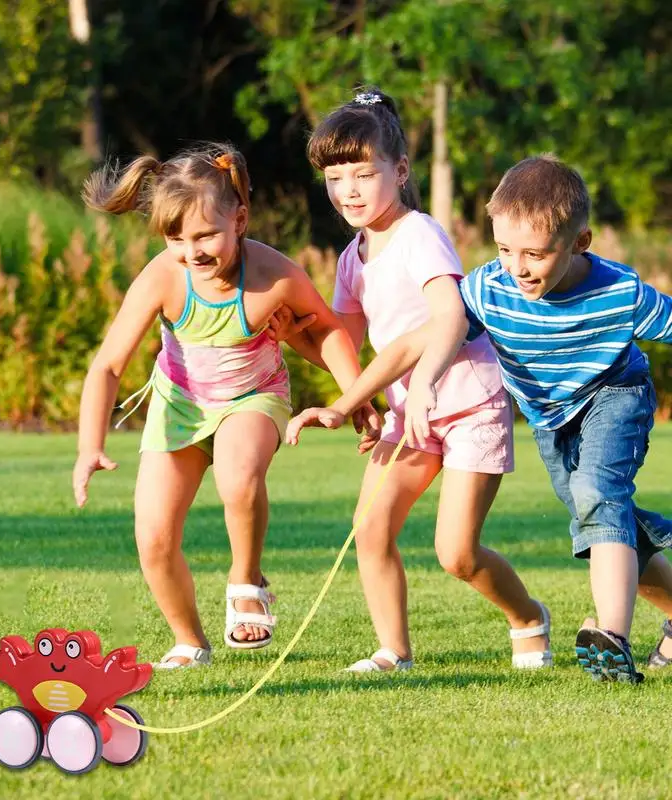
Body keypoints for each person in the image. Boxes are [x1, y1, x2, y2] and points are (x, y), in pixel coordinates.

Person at [289, 153, 672, 683]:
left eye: (534, 254)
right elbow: (410, 346)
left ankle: (612, 637)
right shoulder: (491, 288)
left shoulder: (619, 290)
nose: (517, 268)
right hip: (550, 417)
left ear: (579, 243)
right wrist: (344, 403)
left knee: (598, 498)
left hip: (616, 394)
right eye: (505, 250)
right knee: (601, 518)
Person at [73, 143, 376, 668]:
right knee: (153, 538)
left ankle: (245, 581)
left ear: (239, 219)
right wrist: (88, 446)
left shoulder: (272, 275)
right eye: (177, 239)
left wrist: (357, 398)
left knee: (237, 477)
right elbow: (107, 366)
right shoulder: (164, 278)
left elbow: (327, 331)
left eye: (206, 234)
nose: (193, 252)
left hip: (253, 399)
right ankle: (190, 640)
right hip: (180, 408)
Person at [285, 89, 552, 673]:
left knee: (455, 553)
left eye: (363, 173)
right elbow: (344, 347)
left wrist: (423, 381)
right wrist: (289, 338)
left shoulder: (419, 234)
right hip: (411, 413)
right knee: (370, 527)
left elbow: (450, 316)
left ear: (400, 171)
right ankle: (393, 651)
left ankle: (528, 616)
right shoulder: (353, 256)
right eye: (335, 177)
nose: (349, 190)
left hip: (467, 402)